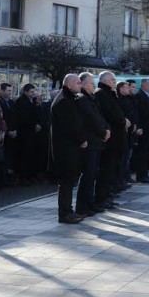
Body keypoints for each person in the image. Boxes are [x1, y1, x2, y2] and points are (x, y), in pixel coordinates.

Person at [51, 73, 87, 224]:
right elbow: (71, 125)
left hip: (70, 147)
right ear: (69, 84)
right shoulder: (64, 101)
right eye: (78, 83)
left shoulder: (69, 98)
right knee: (66, 182)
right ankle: (64, 213)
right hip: (66, 149)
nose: (80, 85)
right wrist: (82, 139)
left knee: (69, 181)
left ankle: (68, 211)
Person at [75, 73, 109, 216]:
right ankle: (83, 207)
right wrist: (103, 132)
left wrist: (107, 129)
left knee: (92, 174)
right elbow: (91, 119)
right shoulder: (82, 99)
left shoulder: (91, 98)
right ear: (83, 84)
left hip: (97, 141)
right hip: (90, 142)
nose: (94, 86)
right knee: (88, 175)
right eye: (91, 83)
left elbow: (100, 116)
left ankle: (90, 203)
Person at [96, 71, 128, 204]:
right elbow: (109, 114)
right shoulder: (101, 94)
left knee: (112, 168)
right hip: (110, 138)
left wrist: (124, 120)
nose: (114, 82)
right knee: (106, 168)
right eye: (112, 80)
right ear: (104, 80)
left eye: (114, 80)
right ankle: (102, 197)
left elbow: (117, 111)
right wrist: (122, 121)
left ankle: (108, 194)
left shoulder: (110, 93)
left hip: (117, 137)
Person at [14, 84, 42, 184]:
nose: (33, 94)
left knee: (31, 154)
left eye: (34, 91)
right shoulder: (21, 101)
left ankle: (30, 175)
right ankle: (24, 177)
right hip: (25, 132)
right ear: (26, 92)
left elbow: (36, 114)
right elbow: (24, 117)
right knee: (25, 155)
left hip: (32, 132)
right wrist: (34, 125)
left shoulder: (33, 101)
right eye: (31, 92)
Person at [133, 78, 149, 183]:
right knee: (142, 154)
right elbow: (141, 112)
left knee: (147, 153)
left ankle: (145, 174)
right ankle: (140, 176)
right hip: (144, 129)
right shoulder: (140, 96)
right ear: (143, 85)